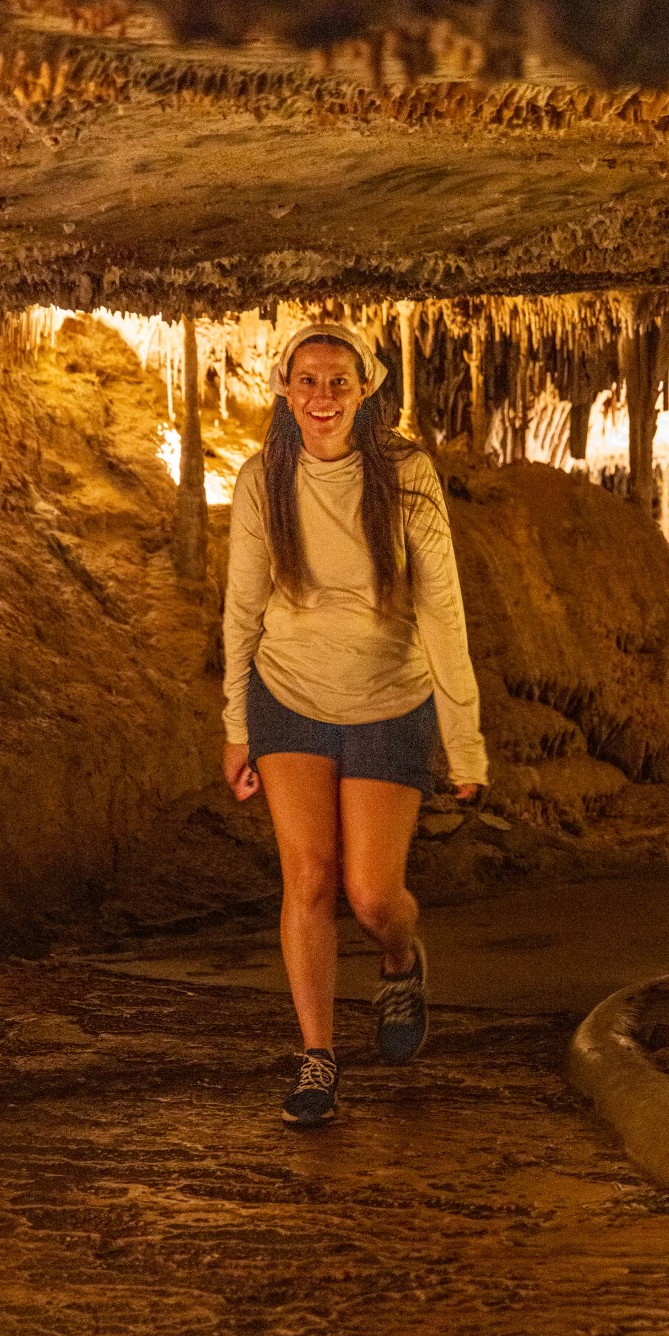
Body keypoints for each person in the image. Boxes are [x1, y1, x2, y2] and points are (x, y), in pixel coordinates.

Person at [221, 321, 488, 1127]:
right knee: (306, 879)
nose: (321, 396)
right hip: (288, 694)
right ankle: (317, 1059)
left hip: (387, 697)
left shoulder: (406, 475)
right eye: (307, 380)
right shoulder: (261, 476)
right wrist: (236, 721)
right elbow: (241, 608)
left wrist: (463, 737)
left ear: (366, 389)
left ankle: (400, 960)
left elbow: (442, 609)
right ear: (284, 389)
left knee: (372, 895)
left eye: (338, 381)